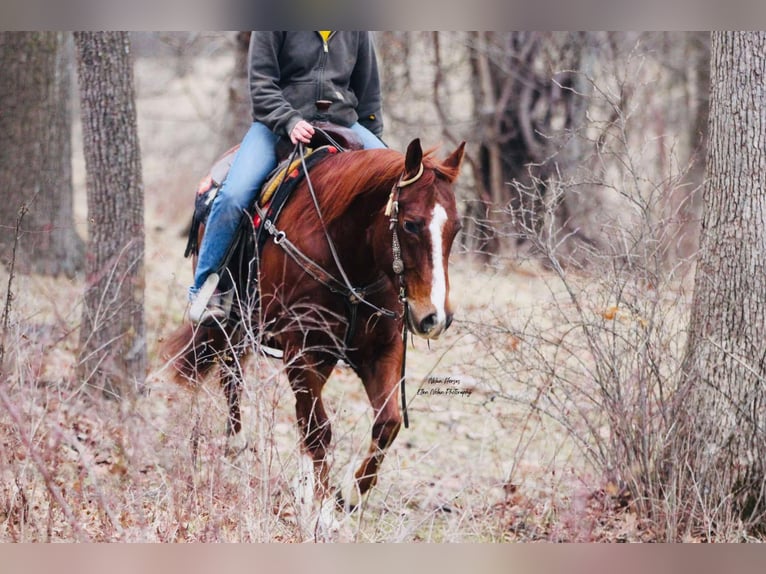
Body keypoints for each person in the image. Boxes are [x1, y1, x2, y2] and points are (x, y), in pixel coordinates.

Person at [189, 31, 386, 325]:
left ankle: (393, 297)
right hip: (278, 124)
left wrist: (375, 152)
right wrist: (289, 121)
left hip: (345, 123)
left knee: (397, 186)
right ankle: (205, 291)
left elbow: (369, 95)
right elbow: (261, 86)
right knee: (233, 195)